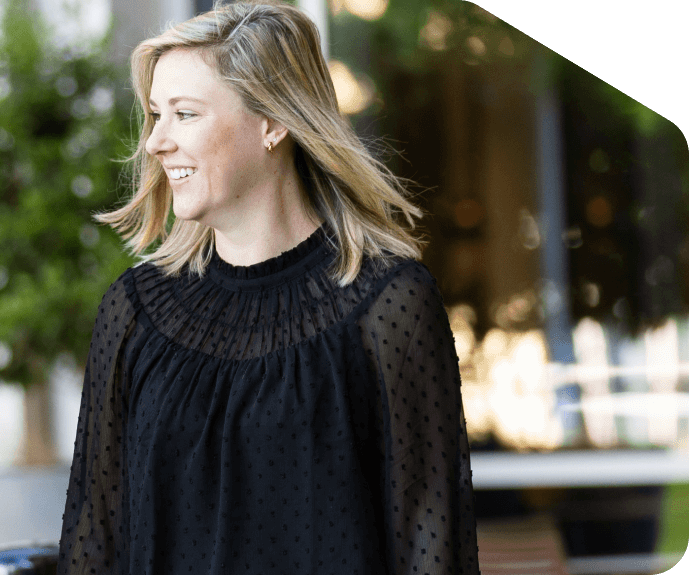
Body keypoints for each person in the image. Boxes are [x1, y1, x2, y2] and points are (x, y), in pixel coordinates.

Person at [59, 1, 478, 574]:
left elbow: (432, 546)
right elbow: (92, 541)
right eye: (155, 114)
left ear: (273, 122)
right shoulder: (132, 311)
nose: (155, 142)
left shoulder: (389, 304)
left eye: (184, 114)